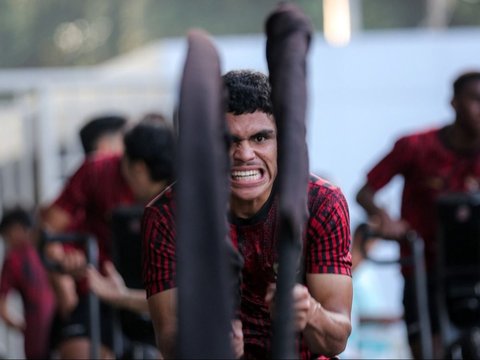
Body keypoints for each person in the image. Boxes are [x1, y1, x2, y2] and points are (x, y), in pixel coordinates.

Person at [142, 69, 352, 359]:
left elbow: (336, 340)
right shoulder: (168, 216)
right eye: (229, 141)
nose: (244, 154)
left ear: (283, 143)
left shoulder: (321, 202)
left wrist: (311, 313)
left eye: (260, 138)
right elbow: (169, 341)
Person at [355, 70, 480, 358]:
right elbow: (365, 191)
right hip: (423, 268)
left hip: (473, 271)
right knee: (427, 349)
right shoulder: (415, 146)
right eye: (474, 99)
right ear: (454, 102)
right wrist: (386, 220)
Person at [41, 119, 176, 359]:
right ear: (138, 169)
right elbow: (48, 229)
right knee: (77, 352)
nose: (159, 195)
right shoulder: (97, 171)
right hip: (100, 289)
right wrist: (64, 260)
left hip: (161, 290)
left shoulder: (176, 185)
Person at [0, 207, 56, 359]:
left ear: (16, 229)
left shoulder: (14, 259)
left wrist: (23, 327)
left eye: (7, 235)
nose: (8, 241)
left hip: (40, 335)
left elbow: (2, 307)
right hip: (56, 331)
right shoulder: (47, 251)